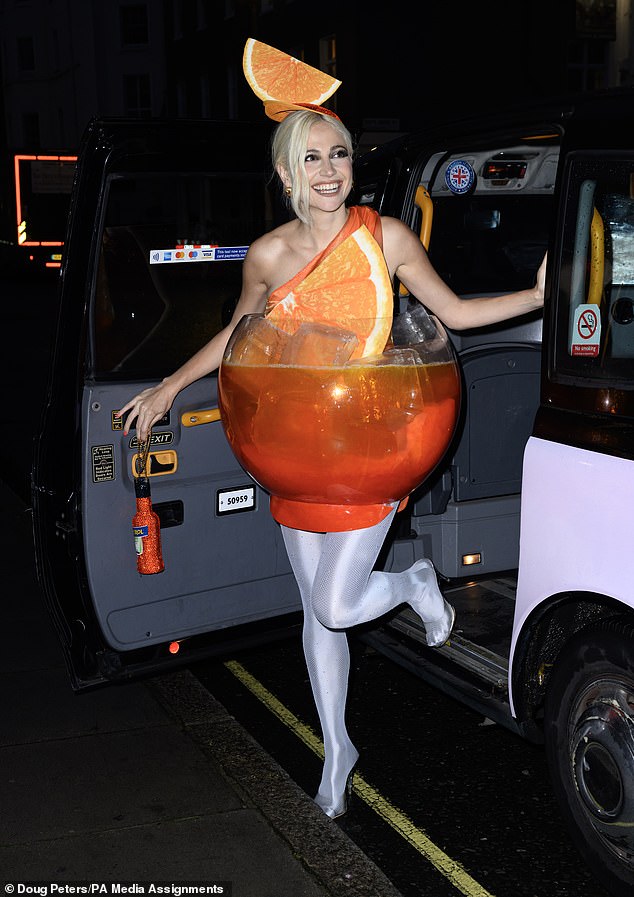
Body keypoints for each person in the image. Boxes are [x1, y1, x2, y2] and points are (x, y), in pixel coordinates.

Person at [117, 52, 546, 822]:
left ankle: (415, 582)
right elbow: (238, 338)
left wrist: (538, 295)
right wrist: (171, 385)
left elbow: (454, 314)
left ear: (354, 164)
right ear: (286, 174)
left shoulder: (385, 236)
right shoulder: (268, 255)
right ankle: (338, 747)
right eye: (310, 156)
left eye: (339, 153)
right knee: (318, 615)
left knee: (340, 603)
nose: (327, 168)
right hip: (293, 449)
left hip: (375, 442)